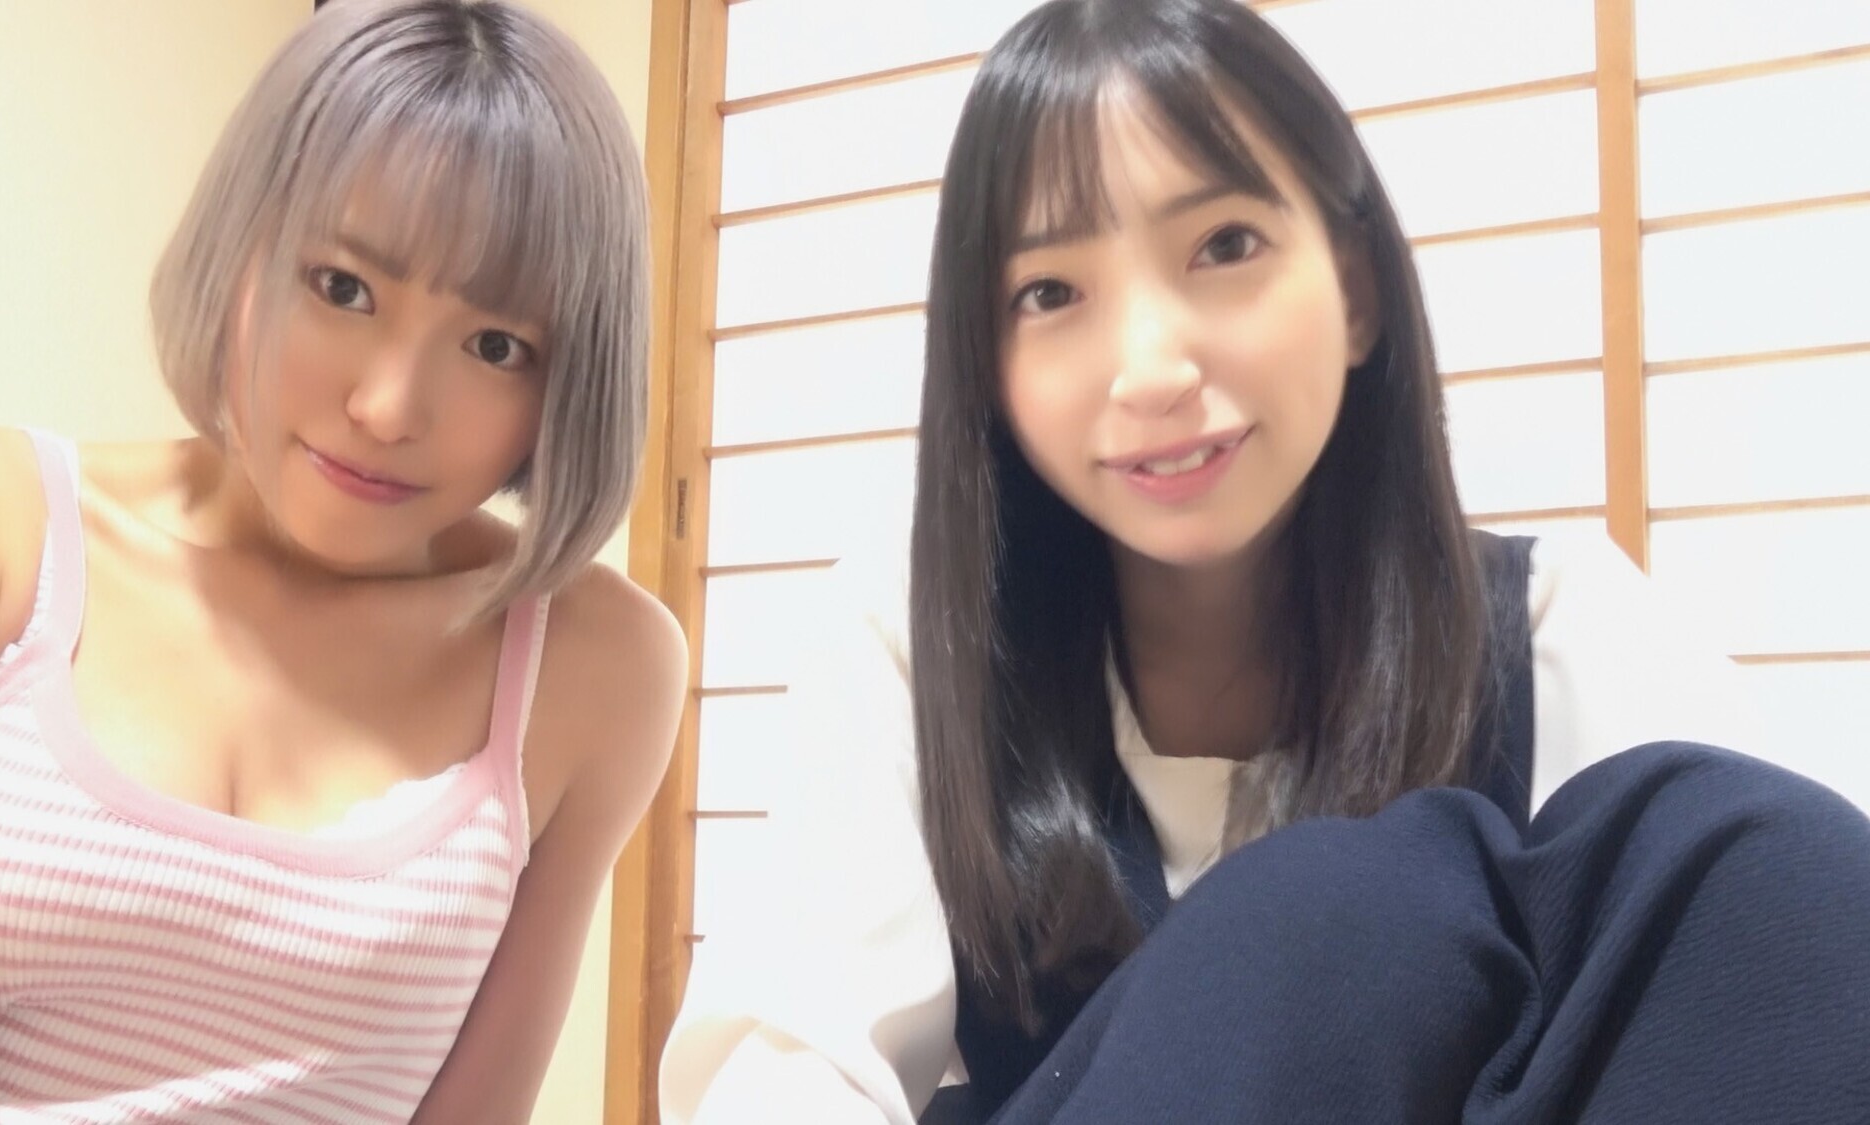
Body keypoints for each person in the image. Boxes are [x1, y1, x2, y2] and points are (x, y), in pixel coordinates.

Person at [660, 1, 1870, 1122]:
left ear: (1354, 289)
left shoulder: (1561, 630)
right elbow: (791, 1060)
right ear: (987, 363)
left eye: (1223, 243)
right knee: (1328, 919)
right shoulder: (919, 643)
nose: (1149, 368)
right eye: (1049, 291)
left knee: (1752, 855)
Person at [0, 1, 685, 1121]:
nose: (387, 407)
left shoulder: (596, 664)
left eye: (495, 346)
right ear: (242, 244)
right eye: (343, 287)